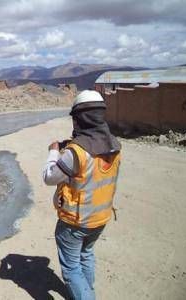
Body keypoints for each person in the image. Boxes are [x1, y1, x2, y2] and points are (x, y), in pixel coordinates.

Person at [43, 90, 121, 300]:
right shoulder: (113, 144)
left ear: (79, 118)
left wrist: (53, 152)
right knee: (86, 255)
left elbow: (50, 177)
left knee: (71, 269)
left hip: (75, 222)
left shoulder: (76, 152)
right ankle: (88, 293)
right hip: (100, 217)